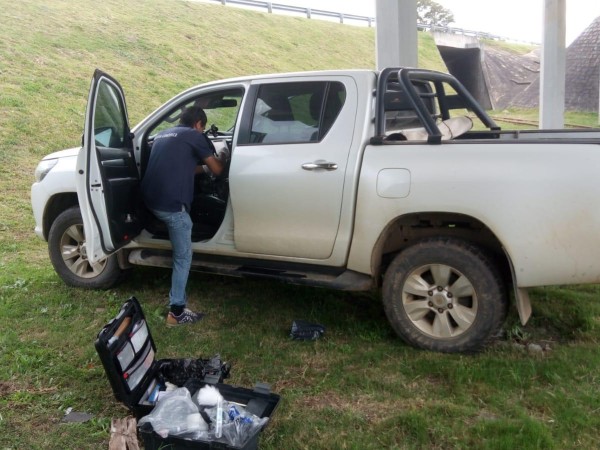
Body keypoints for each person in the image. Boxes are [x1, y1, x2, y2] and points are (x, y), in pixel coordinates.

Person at [141, 105, 227, 326]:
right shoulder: (193, 135)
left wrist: (204, 169)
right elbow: (218, 170)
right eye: (202, 128)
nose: (202, 131)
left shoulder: (163, 134)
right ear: (198, 124)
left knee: (179, 239)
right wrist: (223, 158)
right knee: (183, 256)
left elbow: (182, 167)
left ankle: (176, 309)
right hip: (173, 208)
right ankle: (176, 312)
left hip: (152, 201)